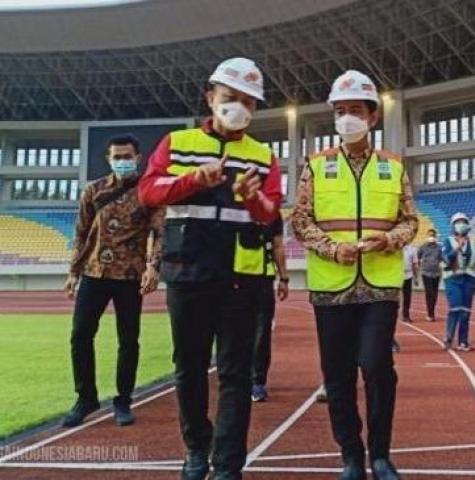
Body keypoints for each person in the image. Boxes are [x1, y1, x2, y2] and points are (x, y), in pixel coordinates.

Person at [138, 57, 282, 480]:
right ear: (210, 97)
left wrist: (251, 197)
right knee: (190, 368)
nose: (239, 107)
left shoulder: (262, 155)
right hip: (188, 271)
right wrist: (195, 179)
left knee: (235, 373)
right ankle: (196, 450)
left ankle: (227, 464)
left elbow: (269, 213)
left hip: (241, 277)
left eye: (248, 103)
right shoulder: (176, 142)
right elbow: (149, 192)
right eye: (230, 98)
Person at [291, 69, 418, 480]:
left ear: (373, 117)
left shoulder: (394, 168)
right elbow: (301, 221)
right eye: (340, 111)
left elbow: (410, 222)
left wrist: (388, 242)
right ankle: (351, 454)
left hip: (380, 284)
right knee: (337, 373)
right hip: (331, 286)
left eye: (355, 111)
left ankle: (381, 454)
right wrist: (332, 248)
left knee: (377, 364)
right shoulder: (315, 166)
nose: (347, 118)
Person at [62, 134, 163, 428]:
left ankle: (123, 400)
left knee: (128, 341)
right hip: (94, 273)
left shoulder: (147, 191)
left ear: (138, 156)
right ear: (108, 159)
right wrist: (73, 272)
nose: (122, 161)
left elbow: (159, 233)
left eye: (127, 156)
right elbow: (81, 234)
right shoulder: (93, 190)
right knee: (80, 335)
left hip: (130, 276)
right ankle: (86, 398)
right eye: (117, 157)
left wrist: (153, 267)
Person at [251, 214, 289, 403]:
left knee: (261, 330)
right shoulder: (230, 202)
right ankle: (237, 377)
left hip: (262, 279)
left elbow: (278, 245)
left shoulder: (271, 211)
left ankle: (258, 380)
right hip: (229, 279)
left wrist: (284, 278)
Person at [442, 212, 475, 352]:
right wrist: (457, 247)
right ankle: (448, 337)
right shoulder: (448, 241)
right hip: (453, 278)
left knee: (466, 311)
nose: (461, 224)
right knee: (455, 308)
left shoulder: (473, 243)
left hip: (469, 279)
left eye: (463, 221)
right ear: (453, 225)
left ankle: (463, 341)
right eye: (458, 222)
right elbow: (446, 259)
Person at [418, 228, 442, 321]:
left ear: (435, 237)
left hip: (436, 273)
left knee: (435, 293)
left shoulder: (439, 247)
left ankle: (432, 312)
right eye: (430, 235)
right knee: (429, 293)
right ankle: (430, 313)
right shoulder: (423, 247)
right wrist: (421, 266)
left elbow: (442, 258)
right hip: (426, 273)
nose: (431, 237)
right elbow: (418, 257)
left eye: (433, 236)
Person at [401, 243, 418, 322]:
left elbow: (414, 264)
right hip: (396, 275)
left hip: (408, 275)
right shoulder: (396, 247)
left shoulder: (412, 249)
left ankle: (406, 315)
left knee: (407, 296)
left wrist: (416, 277)